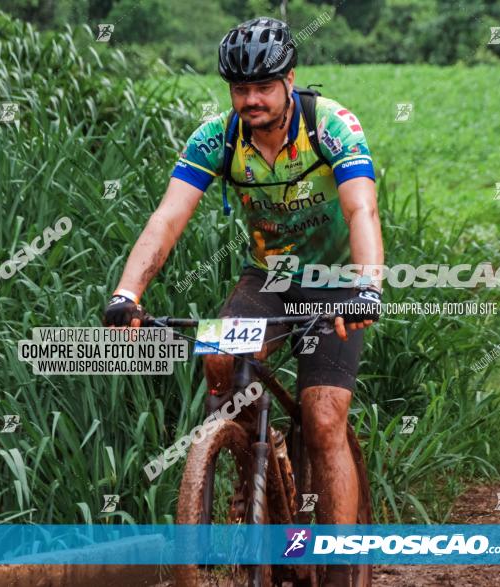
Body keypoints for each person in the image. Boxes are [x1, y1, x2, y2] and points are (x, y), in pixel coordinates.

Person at [103, 16, 383, 544]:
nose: (251, 99)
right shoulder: (218, 138)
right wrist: (127, 294)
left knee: (323, 419)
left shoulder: (331, 126)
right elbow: (166, 219)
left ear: (290, 80)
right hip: (269, 277)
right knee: (218, 354)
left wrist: (369, 286)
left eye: (262, 87)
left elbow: (361, 209)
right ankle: (249, 452)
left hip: (340, 280)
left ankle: (342, 562)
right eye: (240, 89)